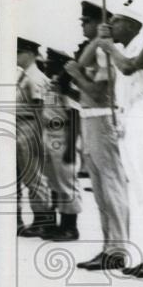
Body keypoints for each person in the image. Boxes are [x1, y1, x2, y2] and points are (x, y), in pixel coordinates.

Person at [98, 10, 143, 278]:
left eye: (116, 21)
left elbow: (128, 65)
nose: (110, 25)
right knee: (139, 191)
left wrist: (107, 46)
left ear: (131, 25)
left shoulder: (141, 47)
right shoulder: (127, 47)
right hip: (131, 119)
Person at [64, 1, 130, 271]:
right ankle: (108, 246)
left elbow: (98, 91)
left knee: (111, 186)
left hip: (103, 117)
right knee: (101, 190)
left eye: (87, 21)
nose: (83, 25)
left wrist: (76, 76)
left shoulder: (110, 52)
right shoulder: (96, 49)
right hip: (91, 119)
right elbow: (80, 63)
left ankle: (117, 247)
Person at [39, 47, 83, 241]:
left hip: (64, 138)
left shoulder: (68, 86)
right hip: (50, 135)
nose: (47, 65)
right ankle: (57, 225)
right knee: (53, 183)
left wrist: (71, 150)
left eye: (51, 62)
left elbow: (74, 115)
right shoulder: (52, 84)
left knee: (67, 183)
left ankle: (70, 227)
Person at [15, 37, 54, 236]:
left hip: (30, 131)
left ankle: (43, 220)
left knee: (34, 177)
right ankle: (29, 220)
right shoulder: (24, 76)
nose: (16, 56)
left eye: (19, 52)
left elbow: (40, 109)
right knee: (24, 176)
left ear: (30, 53)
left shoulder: (35, 78)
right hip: (20, 130)